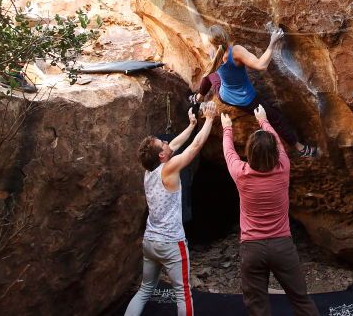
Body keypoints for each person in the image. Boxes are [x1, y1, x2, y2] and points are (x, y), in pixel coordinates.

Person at [221, 105, 320, 316]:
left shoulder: (241, 173)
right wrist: (264, 121)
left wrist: (227, 128)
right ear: (275, 153)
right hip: (282, 246)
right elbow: (280, 145)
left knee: (258, 307)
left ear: (249, 152)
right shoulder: (283, 167)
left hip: (252, 248)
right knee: (301, 300)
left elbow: (229, 152)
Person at [124, 102, 217, 316]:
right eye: (162, 144)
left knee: (145, 289)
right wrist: (210, 119)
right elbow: (194, 148)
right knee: (183, 293)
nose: (166, 142)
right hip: (171, 243)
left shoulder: (150, 170)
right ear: (162, 156)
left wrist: (192, 125)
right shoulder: (169, 169)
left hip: (150, 241)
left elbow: (175, 143)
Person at [203, 25, 319, 157]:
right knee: (276, 118)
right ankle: (299, 148)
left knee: (210, 75)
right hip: (246, 99)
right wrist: (272, 41)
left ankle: (199, 95)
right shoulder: (235, 51)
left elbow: (200, 26)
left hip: (224, 95)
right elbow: (261, 65)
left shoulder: (212, 52)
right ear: (225, 36)